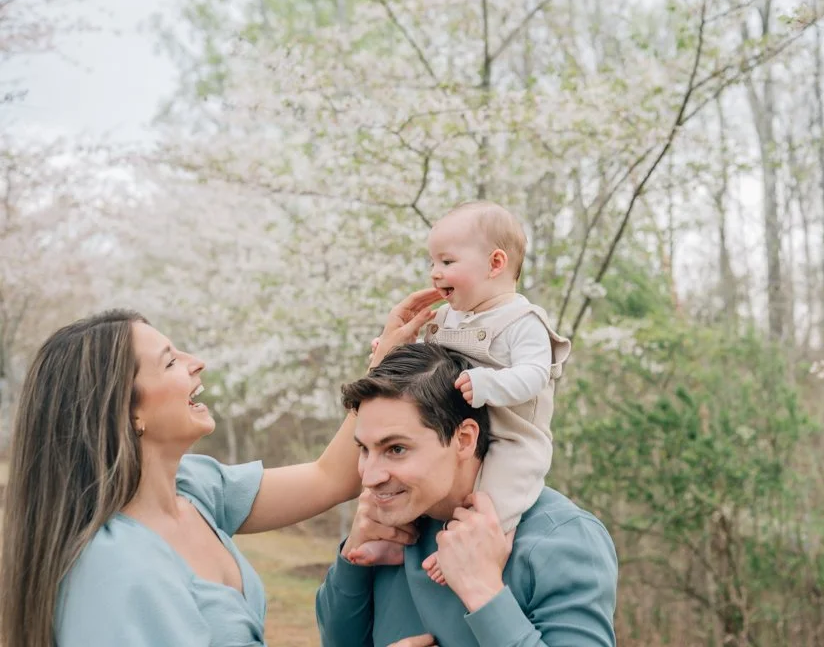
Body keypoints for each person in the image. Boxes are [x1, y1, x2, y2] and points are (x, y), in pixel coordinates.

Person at [0, 289, 441, 647]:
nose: (197, 362)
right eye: (171, 361)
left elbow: (332, 477)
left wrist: (382, 364)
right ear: (127, 412)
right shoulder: (114, 571)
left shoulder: (193, 489)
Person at [315, 342, 618, 647]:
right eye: (364, 449)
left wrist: (484, 591)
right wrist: (352, 560)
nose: (369, 477)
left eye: (396, 449)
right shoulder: (389, 532)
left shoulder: (562, 540)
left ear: (463, 439)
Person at [395, 200, 572, 584]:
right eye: (432, 263)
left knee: (494, 497)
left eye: (446, 262)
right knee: (407, 470)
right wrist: (394, 349)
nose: (434, 273)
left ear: (495, 264)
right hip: (458, 429)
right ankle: (394, 536)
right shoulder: (448, 317)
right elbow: (425, 366)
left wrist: (490, 384)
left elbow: (535, 374)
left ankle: (482, 545)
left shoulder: (523, 321)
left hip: (512, 434)